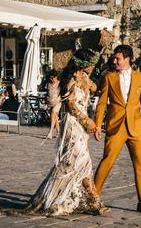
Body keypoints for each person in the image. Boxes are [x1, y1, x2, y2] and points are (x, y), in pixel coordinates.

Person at [26, 48, 108, 216]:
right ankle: (95, 202)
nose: (93, 67)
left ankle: (87, 200)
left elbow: (96, 88)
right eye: (91, 64)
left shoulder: (84, 77)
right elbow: (72, 106)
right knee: (82, 162)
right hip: (73, 126)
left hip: (82, 129)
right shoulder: (71, 79)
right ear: (83, 63)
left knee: (78, 164)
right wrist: (89, 123)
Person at [93, 44, 141, 214]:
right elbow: (101, 103)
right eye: (114, 58)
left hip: (136, 128)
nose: (114, 61)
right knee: (107, 161)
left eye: (118, 58)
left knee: (140, 165)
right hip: (115, 127)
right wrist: (97, 125)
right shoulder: (108, 77)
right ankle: (93, 198)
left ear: (127, 59)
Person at [45, 71, 61, 139]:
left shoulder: (59, 84)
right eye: (50, 78)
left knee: (53, 113)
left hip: (58, 102)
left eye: (52, 78)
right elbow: (47, 93)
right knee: (55, 118)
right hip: (50, 103)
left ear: (56, 77)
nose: (51, 79)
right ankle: (59, 132)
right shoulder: (48, 84)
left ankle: (50, 132)